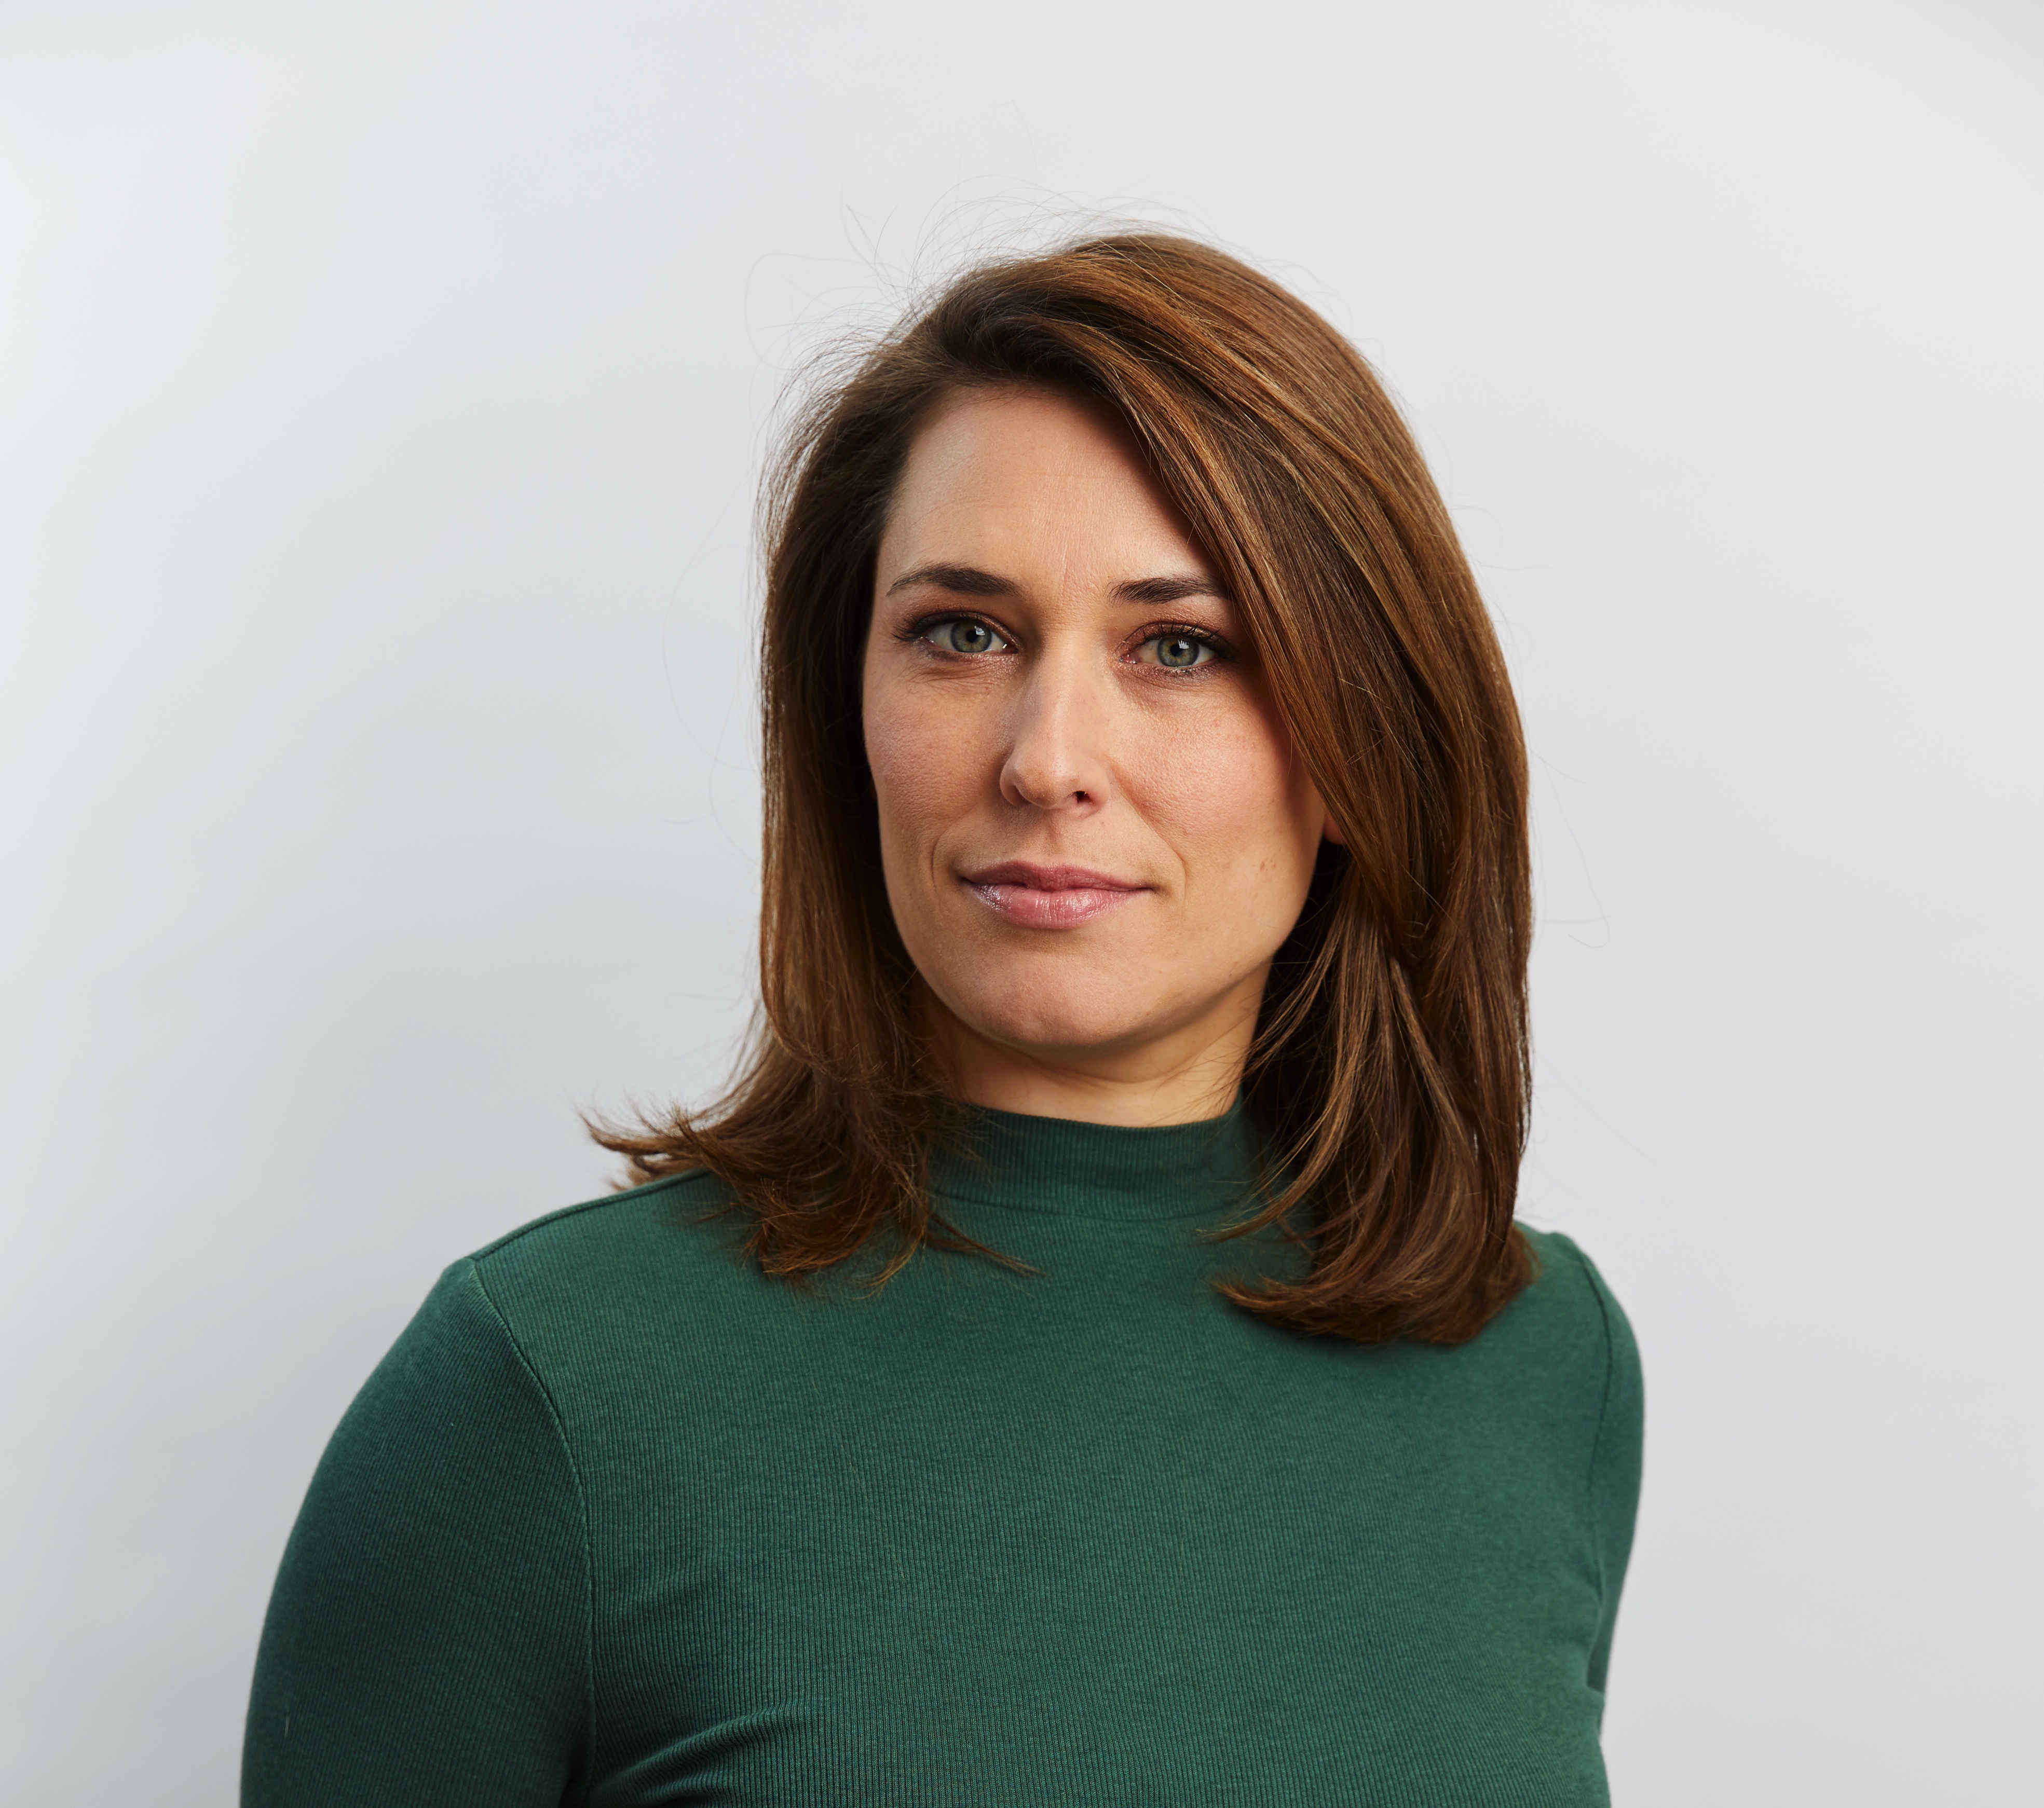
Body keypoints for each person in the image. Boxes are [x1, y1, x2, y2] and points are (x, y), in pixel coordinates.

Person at [242, 234, 1642, 1806]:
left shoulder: (1541, 1356)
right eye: (963, 633)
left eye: (1181, 647)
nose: (1048, 759)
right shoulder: (543, 1390)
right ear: (843, 708)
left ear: (1367, 737)